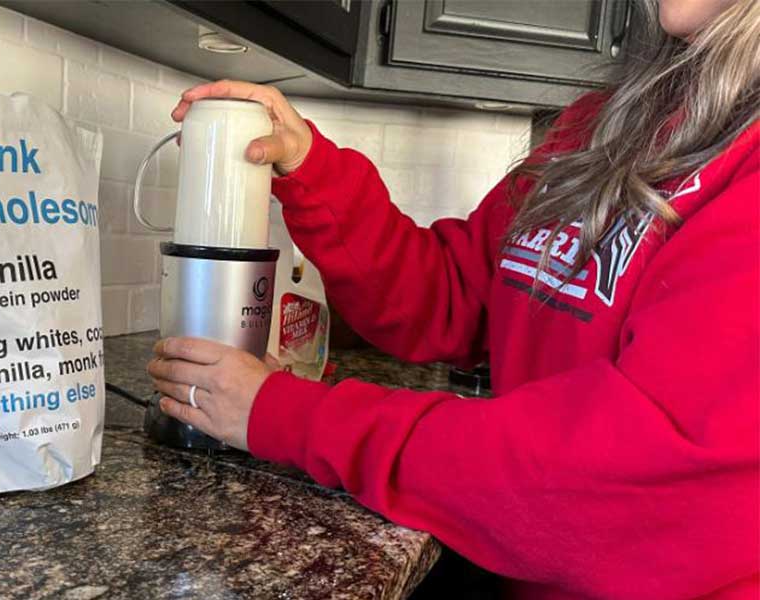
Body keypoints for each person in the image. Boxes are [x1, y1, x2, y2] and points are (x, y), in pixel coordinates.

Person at [148, 0, 759, 597]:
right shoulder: (599, 125)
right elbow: (452, 297)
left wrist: (285, 415)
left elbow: (622, 474)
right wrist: (310, 166)